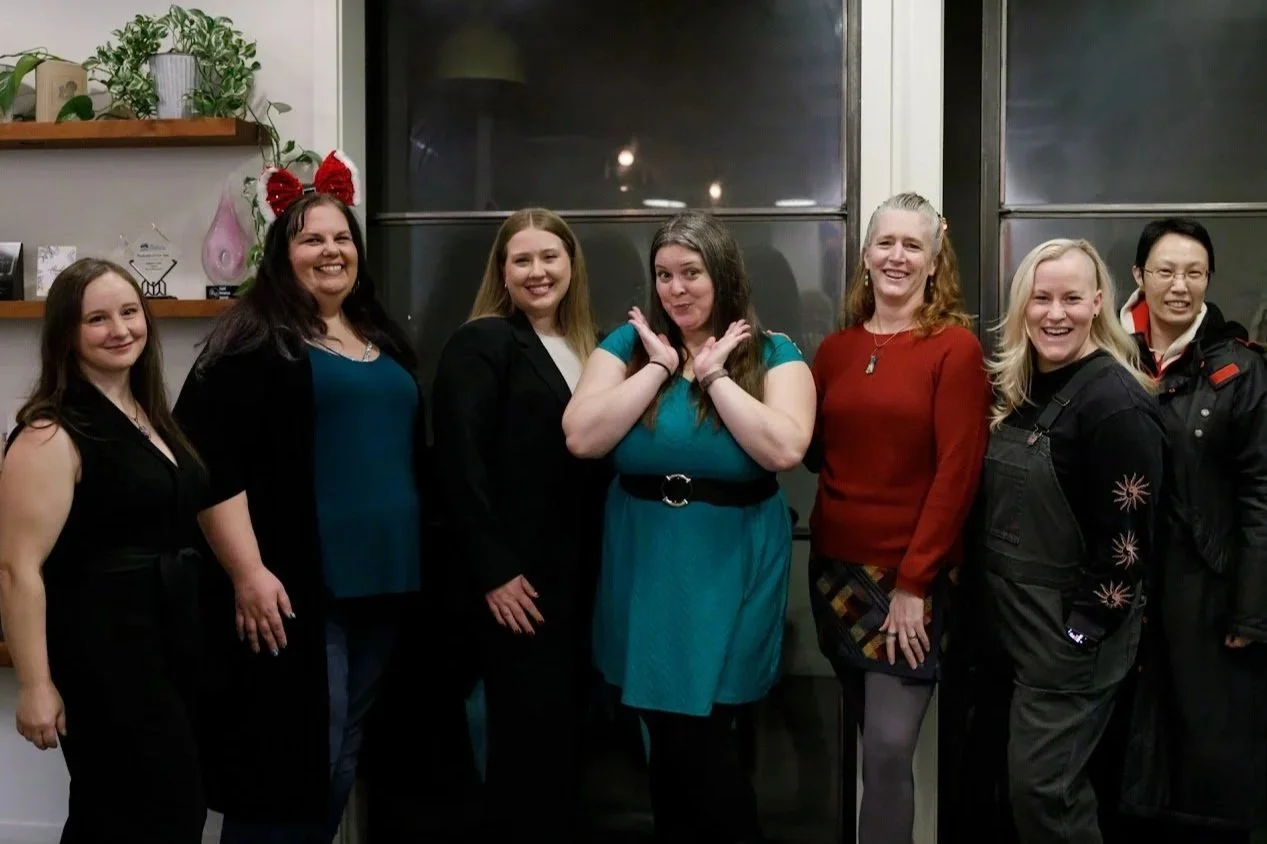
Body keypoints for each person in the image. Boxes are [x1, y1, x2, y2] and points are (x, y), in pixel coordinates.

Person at [173, 152, 427, 843]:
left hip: (387, 583)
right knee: (287, 765)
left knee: (341, 756)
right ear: (282, 255)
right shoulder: (252, 343)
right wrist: (248, 573)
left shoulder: (378, 337)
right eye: (311, 238)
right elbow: (206, 465)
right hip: (300, 588)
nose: (330, 250)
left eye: (342, 237)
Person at [563, 210, 816, 844]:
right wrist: (656, 366)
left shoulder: (772, 351)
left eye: (691, 273)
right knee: (664, 738)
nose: (676, 289)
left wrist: (713, 374)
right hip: (645, 562)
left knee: (707, 741)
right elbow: (582, 437)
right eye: (664, 275)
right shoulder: (626, 347)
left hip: (730, 566)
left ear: (722, 274)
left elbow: (784, 449)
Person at [0, 259, 207, 843]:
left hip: (167, 641)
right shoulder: (49, 432)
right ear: (67, 333)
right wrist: (37, 685)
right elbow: (18, 570)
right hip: (103, 652)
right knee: (133, 812)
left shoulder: (149, 416)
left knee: (167, 812)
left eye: (129, 312)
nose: (120, 329)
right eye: (97, 318)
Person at [805, 192, 990, 844]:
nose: (896, 256)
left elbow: (957, 475)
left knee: (886, 752)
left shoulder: (953, 350)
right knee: (866, 745)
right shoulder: (833, 351)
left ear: (933, 262)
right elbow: (812, 454)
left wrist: (914, 583)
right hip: (833, 575)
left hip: (910, 580)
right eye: (885, 242)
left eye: (912, 245)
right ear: (864, 256)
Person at [978, 238, 1165, 844]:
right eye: (1041, 299)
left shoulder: (1115, 403)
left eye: (1071, 299)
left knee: (1046, 794)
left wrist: (1083, 630)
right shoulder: (1025, 386)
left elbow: (1128, 542)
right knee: (1021, 795)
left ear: (1098, 303)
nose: (1055, 314)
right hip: (1019, 636)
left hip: (1068, 647)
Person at [430, 207, 608, 840]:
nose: (538, 272)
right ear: (502, 272)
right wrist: (495, 571)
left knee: (561, 744)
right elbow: (457, 463)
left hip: (574, 581)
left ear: (571, 265)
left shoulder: (592, 349)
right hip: (516, 587)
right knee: (522, 751)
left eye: (550, 257)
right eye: (522, 260)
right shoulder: (482, 341)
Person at [1115, 218, 1267, 843]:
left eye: (1194, 273)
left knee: (1204, 763)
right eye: (1165, 271)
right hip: (1115, 587)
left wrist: (1252, 611)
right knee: (1120, 762)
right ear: (1138, 277)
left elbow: (1261, 495)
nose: (1180, 286)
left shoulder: (1239, 369)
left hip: (1205, 588)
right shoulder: (1104, 354)